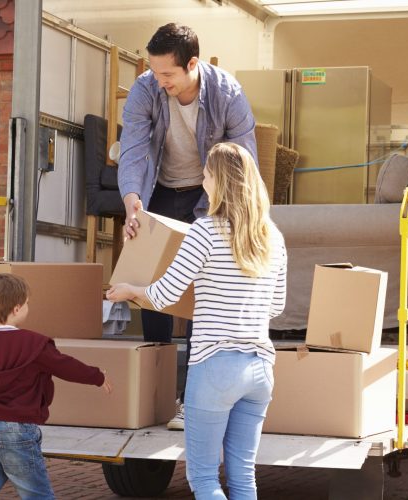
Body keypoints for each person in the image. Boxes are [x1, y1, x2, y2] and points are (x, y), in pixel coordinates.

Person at [108, 142, 287, 499]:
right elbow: (276, 306)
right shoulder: (273, 237)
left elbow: (163, 295)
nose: (202, 179)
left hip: (216, 367)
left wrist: (129, 289)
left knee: (204, 479)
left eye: (206, 174)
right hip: (261, 368)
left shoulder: (204, 232)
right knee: (243, 479)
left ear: (218, 182)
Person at [118, 23, 258, 430]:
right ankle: (157, 394)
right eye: (153, 71)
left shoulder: (227, 94)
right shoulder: (146, 89)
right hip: (158, 191)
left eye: (167, 75)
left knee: (202, 290)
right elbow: (133, 149)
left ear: (192, 64)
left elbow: (243, 160)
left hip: (209, 196)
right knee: (153, 286)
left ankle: (192, 400)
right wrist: (132, 201)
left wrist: (228, 216)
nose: (158, 81)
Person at [0, 273, 114, 500]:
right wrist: (97, 376)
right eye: (27, 304)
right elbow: (65, 366)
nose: (27, 308)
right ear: (16, 308)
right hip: (17, 428)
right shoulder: (33, 344)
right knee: (37, 494)